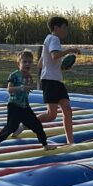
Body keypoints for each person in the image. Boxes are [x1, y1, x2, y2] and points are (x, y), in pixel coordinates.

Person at [0, 50, 56, 153]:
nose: (27, 64)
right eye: (24, 62)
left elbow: (28, 89)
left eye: (29, 62)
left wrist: (28, 88)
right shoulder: (14, 75)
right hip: (14, 106)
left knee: (37, 125)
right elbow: (9, 89)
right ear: (19, 63)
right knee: (11, 127)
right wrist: (22, 88)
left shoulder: (29, 77)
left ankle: (45, 144)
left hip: (25, 106)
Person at [37, 16, 80, 145]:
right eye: (64, 27)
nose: (66, 30)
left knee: (67, 110)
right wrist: (70, 50)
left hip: (56, 80)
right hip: (50, 81)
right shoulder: (54, 39)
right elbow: (55, 55)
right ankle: (25, 124)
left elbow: (40, 64)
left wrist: (59, 67)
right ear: (56, 28)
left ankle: (70, 142)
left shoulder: (48, 39)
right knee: (51, 115)